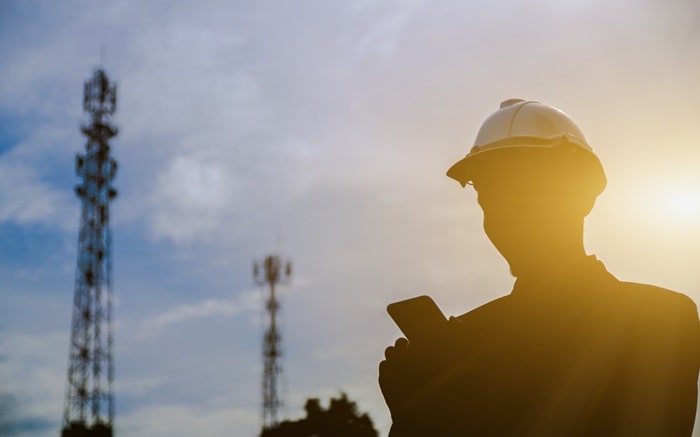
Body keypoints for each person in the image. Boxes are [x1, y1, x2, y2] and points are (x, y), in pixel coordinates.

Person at [379, 99, 700, 436]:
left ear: (581, 194)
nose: (505, 213)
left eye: (523, 189)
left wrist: (482, 399)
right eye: (489, 195)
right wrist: (415, 416)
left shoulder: (661, 318)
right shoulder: (468, 339)